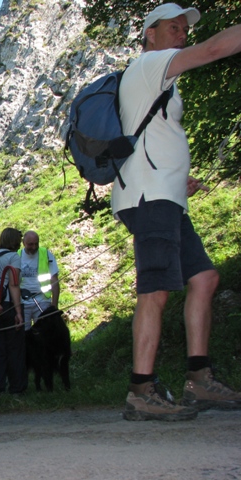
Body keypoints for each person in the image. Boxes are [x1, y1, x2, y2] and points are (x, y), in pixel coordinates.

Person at [113, 3, 241, 421]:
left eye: (185, 28)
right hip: (150, 199)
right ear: (150, 33)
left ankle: (198, 379)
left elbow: (154, 136)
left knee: (204, 278)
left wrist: (179, 175)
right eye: (173, 27)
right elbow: (212, 50)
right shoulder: (152, 63)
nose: (182, 33)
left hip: (165, 196)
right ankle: (141, 390)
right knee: (156, 288)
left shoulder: (158, 76)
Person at [0, 228, 26, 398]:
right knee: (15, 348)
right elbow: (14, 285)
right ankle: (17, 388)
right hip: (9, 305)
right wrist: (18, 312)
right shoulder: (13, 257)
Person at [19, 231, 59, 330]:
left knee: (45, 333)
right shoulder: (17, 255)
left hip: (43, 300)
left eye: (36, 243)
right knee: (24, 335)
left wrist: (54, 305)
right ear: (23, 243)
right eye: (30, 244)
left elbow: (55, 280)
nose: (34, 247)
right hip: (23, 303)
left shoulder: (46, 254)